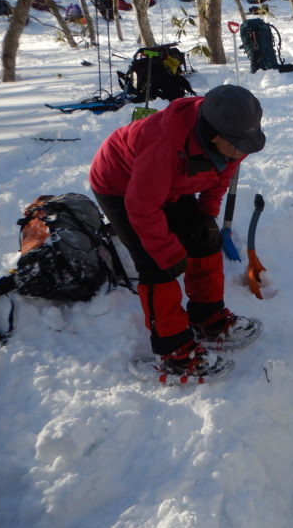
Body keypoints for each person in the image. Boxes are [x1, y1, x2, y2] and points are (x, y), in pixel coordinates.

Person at [89, 85, 265, 380]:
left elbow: (222, 176)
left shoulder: (236, 139)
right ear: (214, 135)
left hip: (169, 183)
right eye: (237, 145)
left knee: (204, 238)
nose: (242, 152)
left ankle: (208, 318)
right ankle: (173, 353)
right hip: (121, 185)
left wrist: (206, 214)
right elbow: (142, 207)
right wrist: (167, 251)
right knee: (157, 264)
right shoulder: (164, 145)